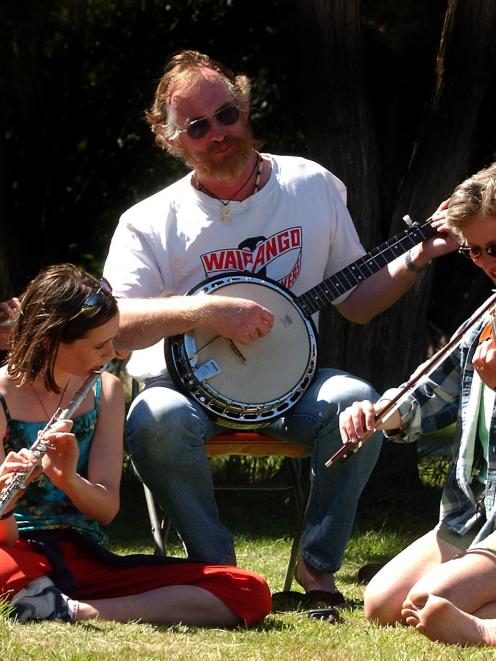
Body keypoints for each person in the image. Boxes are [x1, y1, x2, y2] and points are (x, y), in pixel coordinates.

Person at [103, 49, 457, 608]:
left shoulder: (311, 185)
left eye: (228, 113)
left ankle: (317, 569)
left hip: (293, 388)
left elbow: (358, 303)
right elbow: (118, 326)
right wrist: (206, 313)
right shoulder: (148, 221)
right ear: (171, 139)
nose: (220, 132)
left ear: (244, 108)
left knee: (355, 401)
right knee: (154, 417)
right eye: (199, 126)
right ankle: (218, 569)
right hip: (185, 389)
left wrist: (416, 259)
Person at [0, 263, 271, 626]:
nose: (114, 352)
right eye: (99, 344)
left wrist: (69, 480)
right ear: (50, 342)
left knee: (246, 589)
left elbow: (106, 510)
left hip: (83, 558)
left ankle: (70, 610)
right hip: (17, 552)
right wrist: (6, 499)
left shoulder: (106, 391)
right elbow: (5, 535)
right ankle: (37, 595)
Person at [338, 162, 496, 645]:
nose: (488, 262)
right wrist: (384, 411)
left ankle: (484, 632)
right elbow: (432, 394)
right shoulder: (487, 314)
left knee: (428, 603)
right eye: (475, 251)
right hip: (472, 513)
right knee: (382, 604)